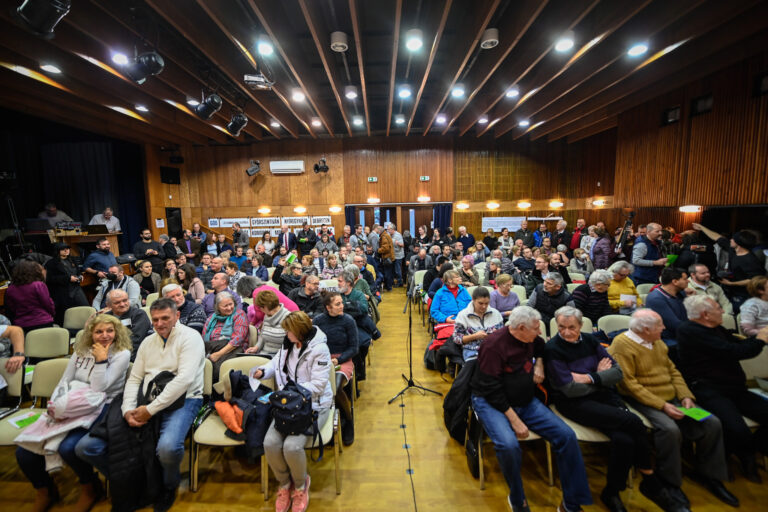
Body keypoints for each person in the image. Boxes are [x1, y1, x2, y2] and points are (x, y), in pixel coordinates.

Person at [78, 298, 205, 512]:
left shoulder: (190, 338)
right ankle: (135, 482)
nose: (160, 323)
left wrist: (150, 410)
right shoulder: (148, 342)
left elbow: (183, 381)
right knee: (87, 448)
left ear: (177, 316)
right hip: (146, 398)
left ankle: (168, 486)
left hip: (186, 398)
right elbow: (135, 379)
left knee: (167, 448)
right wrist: (128, 409)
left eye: (165, 318)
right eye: (155, 319)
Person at [544, 306, 673, 512]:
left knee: (625, 440)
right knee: (634, 422)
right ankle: (650, 480)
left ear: (580, 325)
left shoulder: (591, 340)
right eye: (561, 327)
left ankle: (611, 492)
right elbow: (568, 389)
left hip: (603, 397)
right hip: (574, 404)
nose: (566, 332)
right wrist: (600, 377)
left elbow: (617, 373)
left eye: (571, 327)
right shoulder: (553, 349)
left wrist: (589, 378)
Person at [608, 309, 737, 508]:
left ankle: (709, 475)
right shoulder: (622, 346)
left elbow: (673, 371)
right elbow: (628, 385)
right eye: (660, 325)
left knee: (711, 422)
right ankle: (669, 482)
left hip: (672, 397)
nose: (665, 327)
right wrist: (663, 406)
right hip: (641, 400)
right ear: (645, 329)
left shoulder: (657, 341)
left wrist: (685, 395)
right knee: (669, 429)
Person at [470, 306, 591, 512]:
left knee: (567, 436)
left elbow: (541, 346)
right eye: (536, 328)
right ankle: (518, 499)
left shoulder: (531, 338)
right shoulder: (493, 346)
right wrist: (514, 420)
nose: (540, 331)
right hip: (492, 403)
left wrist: (540, 364)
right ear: (521, 328)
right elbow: (490, 389)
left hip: (525, 401)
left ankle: (570, 503)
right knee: (509, 446)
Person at [16, 314, 131, 512]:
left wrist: (101, 361)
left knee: (69, 447)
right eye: (99, 331)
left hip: (101, 404)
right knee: (24, 452)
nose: (105, 336)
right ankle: (45, 490)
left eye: (109, 331)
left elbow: (99, 388)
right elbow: (65, 381)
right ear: (91, 333)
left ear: (117, 332)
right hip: (69, 404)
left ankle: (90, 487)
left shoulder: (122, 353)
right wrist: (54, 406)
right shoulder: (80, 351)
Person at [677, 294, 768, 482]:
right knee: (737, 429)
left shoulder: (717, 329)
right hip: (708, 389)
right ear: (705, 314)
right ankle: (746, 457)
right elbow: (732, 352)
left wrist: (758, 338)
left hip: (734, 387)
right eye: (718, 308)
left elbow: (739, 345)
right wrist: (760, 340)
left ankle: (747, 451)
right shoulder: (690, 331)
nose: (723, 311)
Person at [252, 312, 332, 512]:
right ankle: (285, 484)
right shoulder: (288, 344)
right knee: (270, 443)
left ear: (299, 332)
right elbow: (276, 364)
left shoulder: (319, 349)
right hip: (288, 405)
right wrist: (263, 370)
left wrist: (292, 393)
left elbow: (319, 385)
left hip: (313, 405)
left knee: (292, 447)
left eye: (288, 330)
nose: (285, 334)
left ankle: (300, 485)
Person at [312, 293, 358, 445]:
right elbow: (313, 344)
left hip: (342, 359)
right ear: (328, 307)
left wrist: (338, 359)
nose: (342, 306)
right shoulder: (319, 321)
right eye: (338, 304)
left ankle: (348, 420)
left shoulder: (348, 321)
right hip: (323, 359)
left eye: (341, 303)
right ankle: (322, 419)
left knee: (335, 387)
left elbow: (353, 348)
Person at [692, 223, 764, 312]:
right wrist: (702, 228)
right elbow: (717, 237)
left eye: (733, 239)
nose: (730, 240)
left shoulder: (750, 260)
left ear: (739, 243)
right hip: (732, 292)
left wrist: (731, 284)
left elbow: (753, 280)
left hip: (744, 296)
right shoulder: (733, 250)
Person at [202, 291, 248, 379]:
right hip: (211, 348)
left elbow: (238, 339)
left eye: (231, 304)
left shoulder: (239, 314)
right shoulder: (212, 318)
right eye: (225, 306)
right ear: (217, 307)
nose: (229, 308)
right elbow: (204, 338)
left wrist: (218, 354)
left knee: (215, 370)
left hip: (231, 349)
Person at [98, 289, 152, 361]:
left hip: (133, 355)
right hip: (109, 354)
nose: (122, 304)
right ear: (108, 305)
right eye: (117, 302)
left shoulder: (139, 314)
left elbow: (136, 340)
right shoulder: (105, 317)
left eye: (125, 300)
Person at [453, 287, 503, 361]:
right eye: (480, 303)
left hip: (494, 349)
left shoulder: (496, 313)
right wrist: (475, 336)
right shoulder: (463, 315)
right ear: (473, 299)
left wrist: (497, 335)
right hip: (472, 352)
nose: (484, 306)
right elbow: (456, 338)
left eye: (487, 303)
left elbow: (503, 336)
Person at [5, 260, 55, 333]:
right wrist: (52, 314)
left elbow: (12, 308)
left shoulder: (10, 289)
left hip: (22, 325)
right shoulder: (38, 285)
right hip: (42, 321)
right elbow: (48, 304)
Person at [44, 242, 88, 324]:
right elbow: (50, 279)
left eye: (67, 248)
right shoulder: (51, 263)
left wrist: (80, 276)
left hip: (76, 288)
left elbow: (78, 271)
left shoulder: (73, 259)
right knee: (67, 313)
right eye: (63, 249)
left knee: (85, 307)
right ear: (57, 251)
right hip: (62, 291)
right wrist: (68, 279)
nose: (66, 250)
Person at [645, 267, 690, 346]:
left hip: (682, 334)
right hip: (667, 339)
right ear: (675, 282)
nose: (688, 281)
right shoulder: (656, 299)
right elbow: (674, 325)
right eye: (685, 279)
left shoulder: (681, 293)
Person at [377, 225, 395, 291]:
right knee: (389, 273)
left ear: (380, 231)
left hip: (387, 258)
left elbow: (385, 248)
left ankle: (389, 287)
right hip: (389, 257)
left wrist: (378, 250)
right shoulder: (386, 235)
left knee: (387, 273)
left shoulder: (384, 237)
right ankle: (389, 287)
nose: (377, 232)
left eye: (378, 231)